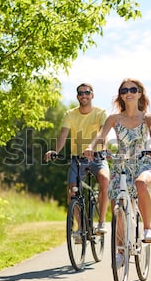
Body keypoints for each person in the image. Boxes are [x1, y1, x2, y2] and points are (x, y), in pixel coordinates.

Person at [84, 78, 151, 243]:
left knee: (141, 183)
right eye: (124, 91)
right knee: (118, 203)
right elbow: (100, 135)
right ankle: (120, 249)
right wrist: (91, 147)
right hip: (121, 164)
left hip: (143, 162)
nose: (128, 93)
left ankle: (147, 229)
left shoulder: (147, 118)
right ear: (120, 95)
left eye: (133, 90)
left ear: (139, 94)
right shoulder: (114, 118)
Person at [44, 83, 110, 234]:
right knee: (72, 191)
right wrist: (55, 150)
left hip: (97, 158)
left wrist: (99, 149)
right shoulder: (70, 114)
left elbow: (103, 134)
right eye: (80, 93)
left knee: (105, 180)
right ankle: (80, 228)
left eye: (87, 92)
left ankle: (101, 223)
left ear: (92, 95)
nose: (83, 95)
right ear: (77, 96)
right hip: (77, 159)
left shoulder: (100, 113)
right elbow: (63, 135)